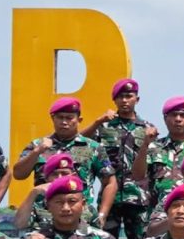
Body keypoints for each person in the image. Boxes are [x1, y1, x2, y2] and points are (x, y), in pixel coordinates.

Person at [14, 97, 116, 229]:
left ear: (79, 120)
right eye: (60, 117)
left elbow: (110, 182)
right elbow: (18, 174)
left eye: (69, 118)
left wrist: (102, 214)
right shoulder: (37, 145)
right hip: (42, 217)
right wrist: (37, 152)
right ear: (53, 118)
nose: (64, 122)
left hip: (81, 217)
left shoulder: (93, 147)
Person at [86, 79, 159, 239]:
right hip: (110, 197)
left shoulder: (147, 128)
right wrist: (98, 122)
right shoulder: (105, 127)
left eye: (128, 96)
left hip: (138, 197)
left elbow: (155, 164)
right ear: (114, 100)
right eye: (120, 97)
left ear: (137, 99)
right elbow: (80, 142)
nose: (124, 100)